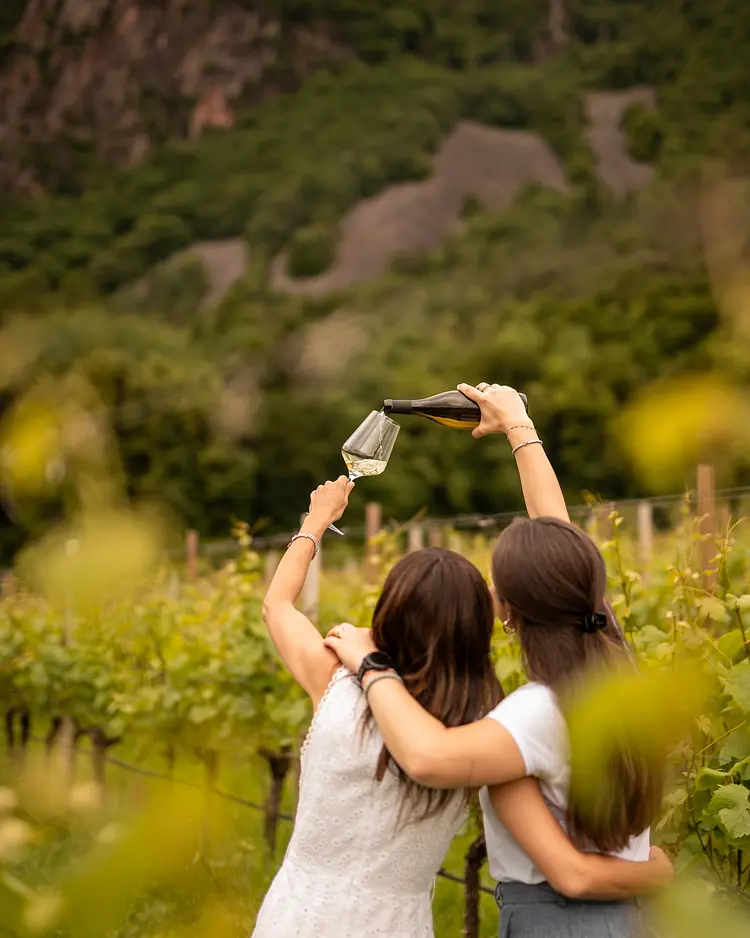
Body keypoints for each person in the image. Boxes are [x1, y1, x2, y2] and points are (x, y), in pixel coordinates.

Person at [252, 406, 672, 938]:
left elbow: (278, 607)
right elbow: (561, 565)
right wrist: (522, 431)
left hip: (294, 913)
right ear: (486, 623)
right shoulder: (491, 717)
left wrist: (315, 522)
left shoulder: (341, 684)